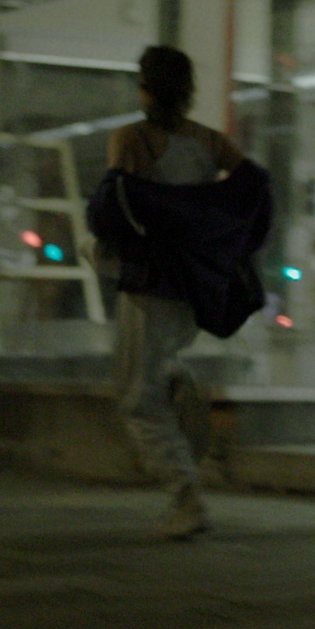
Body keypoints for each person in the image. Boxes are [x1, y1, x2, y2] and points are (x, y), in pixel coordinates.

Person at [101, 45, 246, 540]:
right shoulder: (210, 141)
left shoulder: (131, 139)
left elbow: (117, 205)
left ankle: (185, 495)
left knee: (136, 397)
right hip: (192, 285)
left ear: (145, 89)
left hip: (150, 282)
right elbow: (247, 188)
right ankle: (176, 379)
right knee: (154, 366)